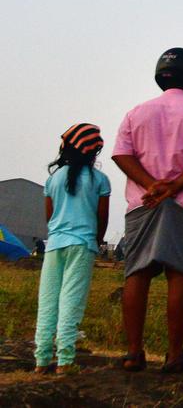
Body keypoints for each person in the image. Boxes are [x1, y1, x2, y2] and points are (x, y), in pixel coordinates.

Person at [112, 48, 183, 373]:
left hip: (142, 203)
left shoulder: (137, 112)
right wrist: (173, 187)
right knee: (179, 275)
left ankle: (133, 353)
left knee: (137, 273)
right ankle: (174, 355)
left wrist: (151, 185)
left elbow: (121, 155)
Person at [34, 124, 111, 374]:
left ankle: (42, 359)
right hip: (82, 244)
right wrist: (96, 241)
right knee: (71, 301)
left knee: (48, 301)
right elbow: (102, 218)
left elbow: (50, 217)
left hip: (54, 244)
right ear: (93, 152)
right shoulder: (100, 180)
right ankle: (65, 359)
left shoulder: (52, 179)